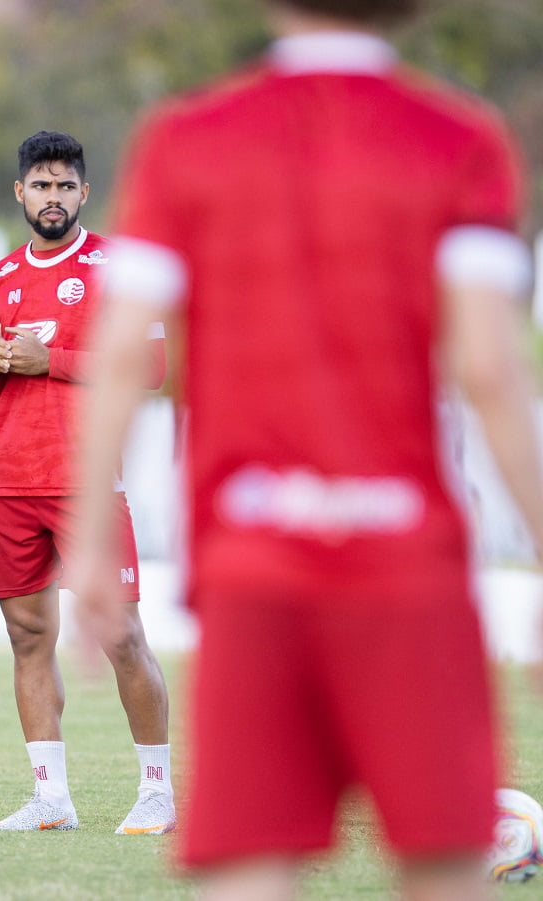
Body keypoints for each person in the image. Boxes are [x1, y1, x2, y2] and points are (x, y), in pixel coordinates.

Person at [70, 1, 543, 899]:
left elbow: (122, 350)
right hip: (409, 564)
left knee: (248, 868)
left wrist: (90, 544)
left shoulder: (186, 137)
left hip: (254, 560)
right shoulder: (459, 139)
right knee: (446, 866)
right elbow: (489, 365)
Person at [0, 131, 175, 835]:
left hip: (85, 479)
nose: (51, 197)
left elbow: (148, 368)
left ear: (83, 193)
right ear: (19, 192)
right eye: (39, 184)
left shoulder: (119, 265)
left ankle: (157, 791)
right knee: (28, 638)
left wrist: (45, 357)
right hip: (7, 479)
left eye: (64, 186)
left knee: (119, 634)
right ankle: (50, 797)